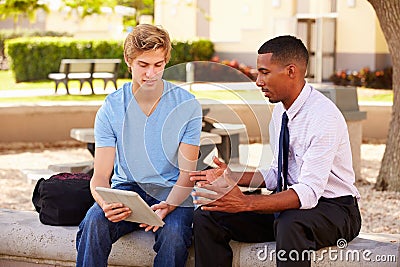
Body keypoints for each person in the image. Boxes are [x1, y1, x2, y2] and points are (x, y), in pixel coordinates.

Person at [190, 35, 361, 267]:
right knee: (209, 215)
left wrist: (246, 203)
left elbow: (309, 193)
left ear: (291, 71)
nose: (258, 81)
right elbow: (276, 174)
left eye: (264, 72)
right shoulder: (280, 112)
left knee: (291, 224)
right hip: (290, 204)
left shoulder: (323, 117)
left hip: (335, 210)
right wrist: (235, 177)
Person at [76, 24, 202, 267]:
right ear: (128, 60)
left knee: (175, 236)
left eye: (158, 65)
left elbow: (187, 174)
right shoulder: (111, 108)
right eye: (143, 65)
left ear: (166, 60)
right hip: (126, 191)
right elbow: (101, 175)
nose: (151, 74)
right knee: (93, 222)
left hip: (171, 191)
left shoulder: (187, 106)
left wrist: (170, 205)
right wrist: (105, 204)